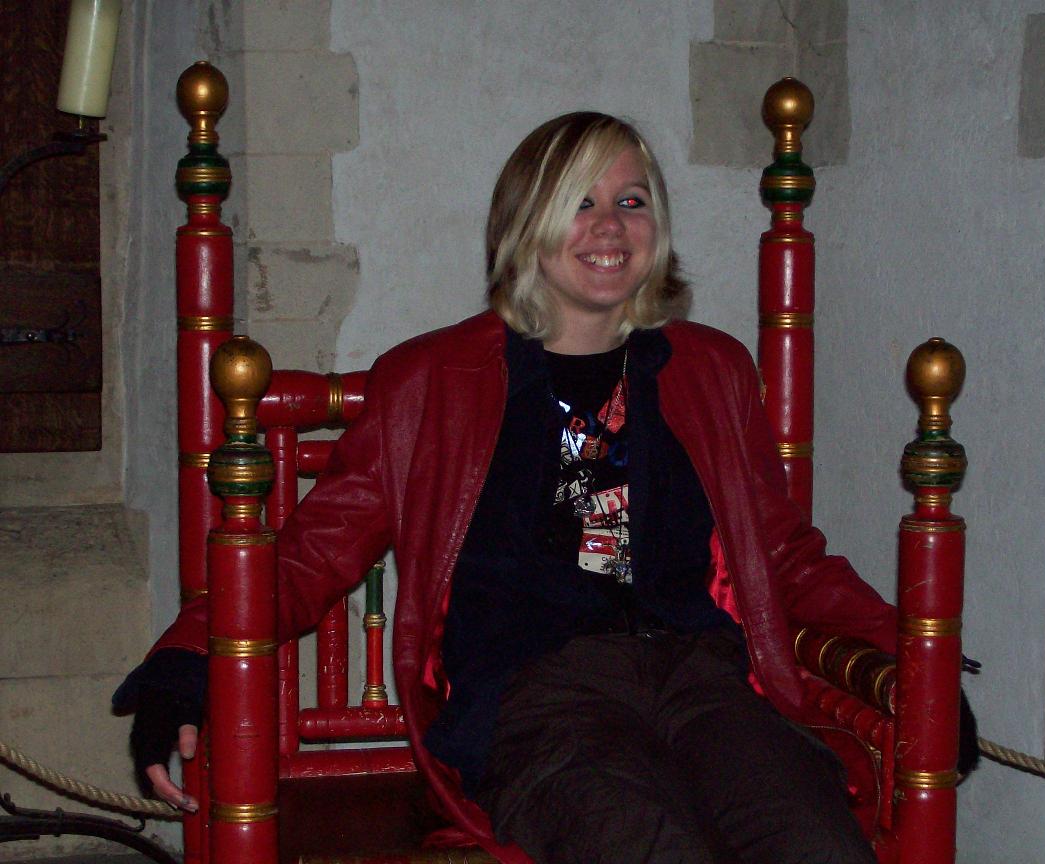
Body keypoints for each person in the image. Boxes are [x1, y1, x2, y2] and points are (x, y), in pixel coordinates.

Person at [117, 111, 953, 864]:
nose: (610, 226)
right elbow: (307, 558)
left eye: (631, 201)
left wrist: (917, 662)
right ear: (526, 223)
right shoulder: (431, 383)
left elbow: (784, 555)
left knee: (816, 844)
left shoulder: (710, 370)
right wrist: (184, 665)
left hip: (703, 685)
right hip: (540, 701)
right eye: (579, 202)